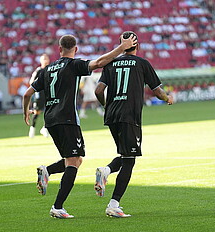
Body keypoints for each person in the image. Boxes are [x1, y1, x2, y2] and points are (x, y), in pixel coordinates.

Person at [23, 34, 137, 219]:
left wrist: (25, 112)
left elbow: (27, 93)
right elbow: (99, 62)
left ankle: (48, 171)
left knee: (74, 159)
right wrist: (122, 48)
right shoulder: (73, 65)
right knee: (74, 162)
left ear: (59, 49)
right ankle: (57, 206)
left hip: (50, 120)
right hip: (67, 118)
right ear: (75, 50)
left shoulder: (47, 69)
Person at [94, 31, 173, 218]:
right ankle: (113, 204)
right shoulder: (142, 64)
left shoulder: (111, 63)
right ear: (137, 46)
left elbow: (98, 91)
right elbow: (157, 91)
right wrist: (167, 98)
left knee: (125, 154)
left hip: (112, 115)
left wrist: (108, 105)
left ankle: (107, 170)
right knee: (129, 160)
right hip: (130, 115)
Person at [28, 53, 50, 138]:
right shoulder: (38, 71)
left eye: (47, 58)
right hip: (40, 95)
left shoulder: (50, 69)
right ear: (41, 61)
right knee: (37, 112)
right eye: (44, 59)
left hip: (48, 94)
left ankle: (45, 128)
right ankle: (32, 128)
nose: (46, 60)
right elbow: (31, 82)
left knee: (49, 112)